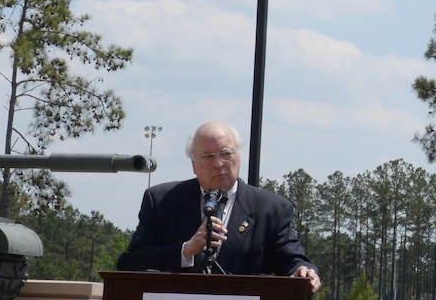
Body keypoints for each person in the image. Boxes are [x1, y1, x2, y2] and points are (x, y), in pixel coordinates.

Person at [115, 121, 321, 289]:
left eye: (226, 154)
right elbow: (130, 262)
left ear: (239, 159)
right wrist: (185, 250)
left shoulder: (271, 209)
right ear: (194, 165)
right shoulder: (161, 201)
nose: (219, 163)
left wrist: (303, 270)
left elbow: (292, 259)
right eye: (208, 156)